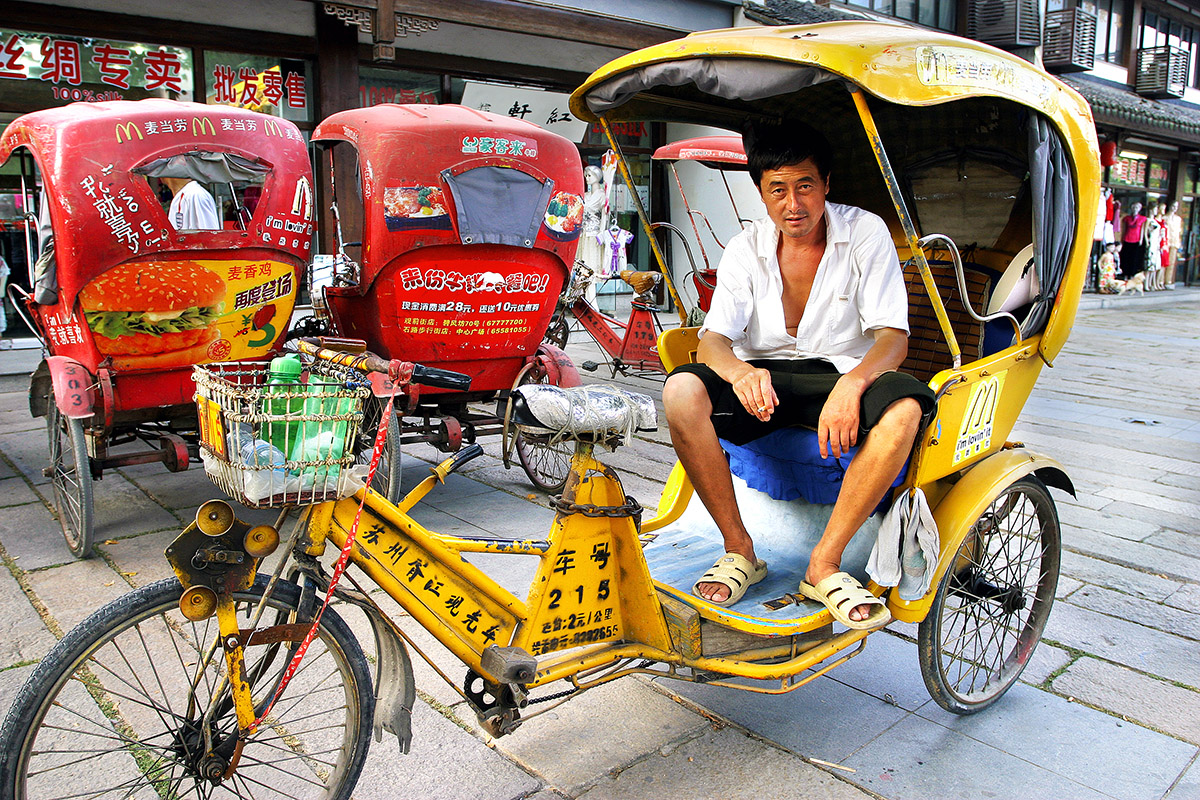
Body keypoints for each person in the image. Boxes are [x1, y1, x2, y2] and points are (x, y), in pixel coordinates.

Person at [661, 121, 935, 629]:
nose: (793, 204)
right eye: (778, 190)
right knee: (681, 389)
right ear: (761, 192)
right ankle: (740, 550)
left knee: (906, 410)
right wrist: (740, 373)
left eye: (805, 186)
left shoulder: (864, 232)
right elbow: (713, 341)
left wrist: (853, 386)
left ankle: (824, 564)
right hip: (762, 379)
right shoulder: (747, 248)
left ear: (826, 183)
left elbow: (893, 338)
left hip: (839, 371)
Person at [1119, 201, 1147, 280]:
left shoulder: (1142, 219)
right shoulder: (1127, 218)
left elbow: (1142, 230)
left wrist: (1141, 239)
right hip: (1127, 238)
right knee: (1126, 257)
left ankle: (1132, 275)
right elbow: (1124, 229)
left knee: (1134, 259)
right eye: (1134, 207)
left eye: (1137, 208)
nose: (1135, 209)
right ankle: (1125, 274)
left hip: (1136, 239)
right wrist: (1122, 239)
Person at [1165, 201, 1182, 290]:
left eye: (1176, 207)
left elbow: (1179, 232)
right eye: (1173, 206)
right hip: (1166, 242)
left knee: (1171, 263)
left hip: (1174, 242)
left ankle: (1168, 280)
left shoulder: (1178, 219)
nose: (1174, 208)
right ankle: (1161, 280)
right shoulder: (1165, 218)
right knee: (1164, 262)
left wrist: (1179, 243)